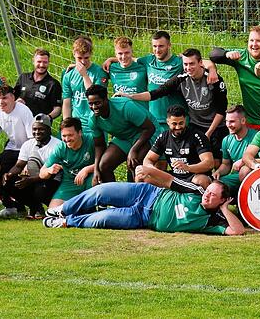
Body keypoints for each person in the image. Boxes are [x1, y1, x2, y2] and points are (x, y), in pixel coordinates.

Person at [42, 170, 244, 236]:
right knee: (101, 191)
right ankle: (61, 210)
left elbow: (237, 231)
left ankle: (67, 221)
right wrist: (146, 169)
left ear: (222, 201)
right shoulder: (196, 191)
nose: (207, 196)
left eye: (212, 196)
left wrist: (225, 209)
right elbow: (168, 180)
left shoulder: (212, 221)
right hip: (146, 193)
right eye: (208, 191)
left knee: (102, 219)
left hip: (143, 217)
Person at [124, 48, 228, 164]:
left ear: (200, 63)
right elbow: (157, 93)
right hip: (196, 125)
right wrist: (131, 96)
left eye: (192, 64)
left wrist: (208, 133)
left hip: (216, 126)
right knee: (195, 160)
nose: (188, 68)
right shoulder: (181, 78)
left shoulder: (214, 80)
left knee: (216, 163)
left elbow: (221, 110)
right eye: (185, 64)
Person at [210, 26, 260, 128]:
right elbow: (213, 54)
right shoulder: (241, 57)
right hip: (249, 122)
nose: (254, 44)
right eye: (251, 40)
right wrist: (226, 54)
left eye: (258, 41)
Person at [85, 84, 159, 183]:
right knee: (104, 165)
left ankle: (135, 195)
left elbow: (150, 128)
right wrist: (96, 170)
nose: (94, 107)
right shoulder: (93, 120)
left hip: (144, 134)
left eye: (97, 103)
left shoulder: (125, 106)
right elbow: (99, 145)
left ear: (106, 99)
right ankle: (114, 196)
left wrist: (133, 150)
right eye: (90, 103)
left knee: (134, 163)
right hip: (123, 137)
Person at [0, 84, 35, 218]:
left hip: (27, 149)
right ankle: (11, 206)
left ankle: (33, 206)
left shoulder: (23, 111)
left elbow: (32, 139)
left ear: (13, 98)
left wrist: (26, 162)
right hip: (11, 148)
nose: (1, 102)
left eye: (4, 98)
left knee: (19, 176)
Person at [1, 114, 62, 218]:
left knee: (40, 189)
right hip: (34, 179)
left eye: (41, 129)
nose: (37, 132)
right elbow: (19, 166)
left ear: (49, 129)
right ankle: (35, 206)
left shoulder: (57, 145)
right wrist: (9, 174)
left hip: (52, 181)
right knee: (8, 182)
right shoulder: (28, 144)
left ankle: (47, 207)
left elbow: (54, 173)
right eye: (34, 129)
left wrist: (30, 180)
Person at [141, 105, 215, 187]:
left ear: (185, 120)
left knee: (202, 181)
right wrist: (154, 170)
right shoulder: (163, 137)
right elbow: (148, 159)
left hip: (194, 176)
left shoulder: (197, 136)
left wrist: (188, 167)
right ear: (168, 122)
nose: (178, 127)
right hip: (173, 177)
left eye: (181, 123)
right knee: (142, 177)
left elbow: (209, 163)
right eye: (174, 124)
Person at [38, 117, 96, 208]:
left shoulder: (91, 140)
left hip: (89, 179)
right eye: (64, 136)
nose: (67, 139)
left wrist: (87, 169)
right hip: (69, 183)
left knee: (97, 178)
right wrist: (49, 170)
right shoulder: (60, 148)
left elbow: (105, 162)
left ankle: (94, 208)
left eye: (70, 135)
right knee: (52, 212)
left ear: (80, 132)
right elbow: (41, 173)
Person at [137, 31, 185, 132]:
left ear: (169, 45)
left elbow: (200, 62)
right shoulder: (148, 61)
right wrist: (111, 59)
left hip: (175, 120)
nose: (157, 50)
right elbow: (128, 59)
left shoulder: (180, 62)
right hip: (154, 119)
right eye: (154, 46)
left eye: (161, 46)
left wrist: (211, 68)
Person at [212, 105, 260, 194]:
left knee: (244, 171)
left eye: (232, 121)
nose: (228, 125)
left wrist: (244, 161)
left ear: (243, 120)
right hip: (235, 177)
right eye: (227, 121)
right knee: (215, 185)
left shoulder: (256, 137)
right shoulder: (226, 140)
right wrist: (218, 172)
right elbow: (226, 164)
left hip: (255, 177)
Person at [61, 36, 108, 133]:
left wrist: (84, 75)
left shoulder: (99, 72)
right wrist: (67, 124)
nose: (83, 61)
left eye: (86, 57)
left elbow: (95, 96)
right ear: (73, 54)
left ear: (91, 54)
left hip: (96, 123)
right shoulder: (68, 75)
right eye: (79, 58)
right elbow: (67, 103)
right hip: (76, 124)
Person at [14, 48, 62, 119]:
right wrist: (16, 102)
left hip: (39, 126)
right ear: (33, 61)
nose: (42, 65)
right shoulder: (23, 77)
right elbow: (12, 97)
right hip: (20, 122)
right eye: (39, 61)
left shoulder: (53, 84)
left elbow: (58, 108)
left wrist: (47, 117)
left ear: (49, 62)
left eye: (45, 62)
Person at [107, 37, 148, 110]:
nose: (124, 57)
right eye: (120, 53)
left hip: (141, 112)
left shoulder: (143, 68)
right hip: (120, 113)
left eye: (127, 53)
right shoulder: (110, 68)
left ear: (132, 52)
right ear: (115, 54)